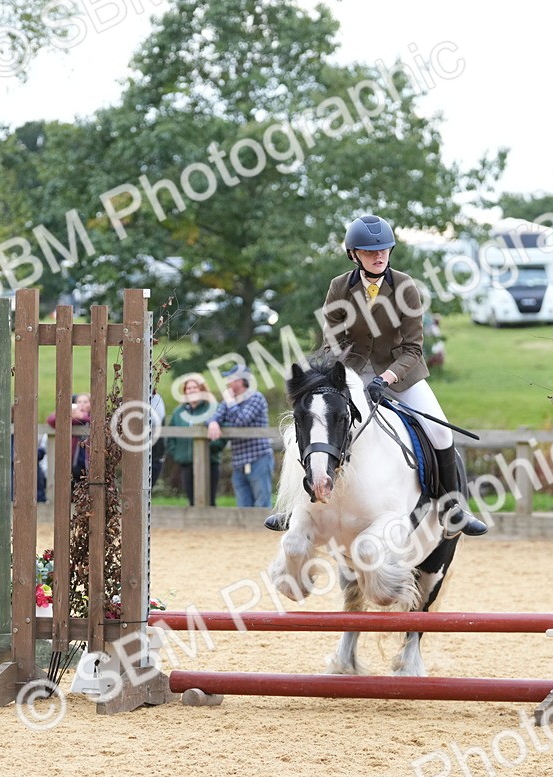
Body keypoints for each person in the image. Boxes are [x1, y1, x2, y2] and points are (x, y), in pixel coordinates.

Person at [267, 213, 486, 536]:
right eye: (370, 251)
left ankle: (452, 507)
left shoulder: (406, 287)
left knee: (441, 434)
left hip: (401, 373)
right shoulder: (339, 287)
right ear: (354, 254)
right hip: (351, 373)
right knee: (308, 426)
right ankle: (293, 506)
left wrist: (386, 379)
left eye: (384, 249)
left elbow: (413, 349)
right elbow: (332, 341)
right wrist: (344, 379)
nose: (379, 255)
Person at [207, 365, 273, 508]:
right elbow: (214, 416)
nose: (227, 383)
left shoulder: (256, 398)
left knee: (262, 503)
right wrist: (212, 423)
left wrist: (230, 402)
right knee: (243, 506)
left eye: (230, 379)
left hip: (258, 458)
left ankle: (262, 531)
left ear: (240, 381)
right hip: (239, 461)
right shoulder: (228, 402)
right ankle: (246, 532)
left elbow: (242, 421)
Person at [166, 377, 226, 506]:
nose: (191, 390)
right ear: (185, 391)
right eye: (188, 388)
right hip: (186, 463)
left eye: (195, 387)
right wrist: (176, 453)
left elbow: (222, 434)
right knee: (192, 500)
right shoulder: (178, 412)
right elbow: (170, 436)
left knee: (209, 501)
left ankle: (212, 526)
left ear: (202, 389)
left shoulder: (213, 408)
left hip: (209, 462)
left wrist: (212, 448)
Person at [47, 392, 91, 485]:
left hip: (90, 462)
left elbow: (100, 423)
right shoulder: (73, 419)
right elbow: (51, 420)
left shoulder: (93, 417)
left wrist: (83, 417)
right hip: (74, 463)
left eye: (85, 401)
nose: (82, 404)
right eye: (79, 402)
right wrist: (65, 412)